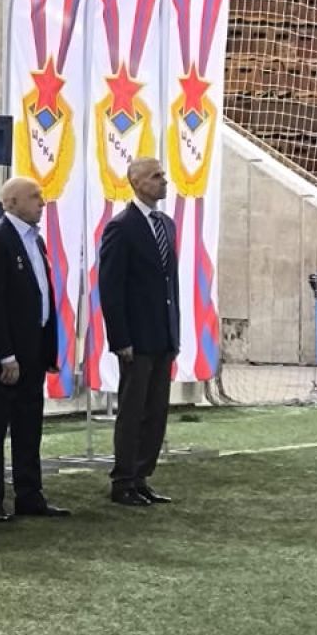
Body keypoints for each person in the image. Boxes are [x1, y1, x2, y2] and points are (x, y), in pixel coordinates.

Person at [0, 176, 69, 523]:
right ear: (11, 202)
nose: (42, 202)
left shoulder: (36, 240)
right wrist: (6, 354)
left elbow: (43, 297)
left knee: (29, 426)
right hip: (5, 356)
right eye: (34, 196)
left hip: (33, 351)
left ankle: (30, 495)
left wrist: (48, 351)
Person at [98, 154, 180, 507]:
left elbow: (170, 283)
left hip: (163, 333)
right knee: (133, 410)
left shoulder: (166, 224)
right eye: (156, 176)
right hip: (137, 336)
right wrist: (121, 338)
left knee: (156, 410)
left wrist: (174, 332)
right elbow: (111, 287)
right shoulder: (121, 227)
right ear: (136, 182)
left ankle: (142, 475)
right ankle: (123, 480)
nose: (164, 181)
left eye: (163, 174)